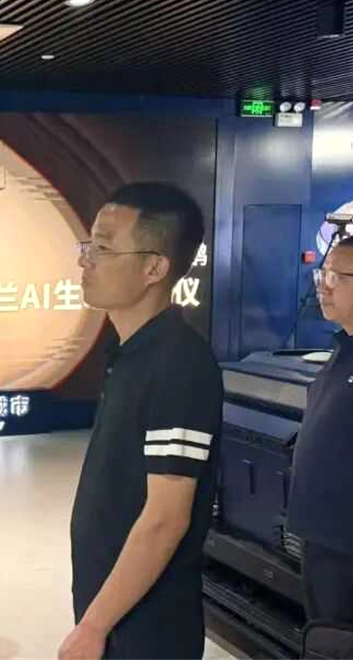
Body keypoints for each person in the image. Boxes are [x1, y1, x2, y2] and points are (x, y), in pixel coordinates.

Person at [61, 183, 222, 660]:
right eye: (88, 246)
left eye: (103, 248)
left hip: (148, 624)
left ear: (154, 268)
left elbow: (165, 518)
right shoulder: (130, 352)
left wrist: (94, 626)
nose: (86, 261)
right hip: (115, 606)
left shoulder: (179, 364)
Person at [288, 234, 353, 630]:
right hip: (323, 540)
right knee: (326, 639)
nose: (323, 285)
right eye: (322, 273)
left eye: (338, 277)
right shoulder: (346, 348)